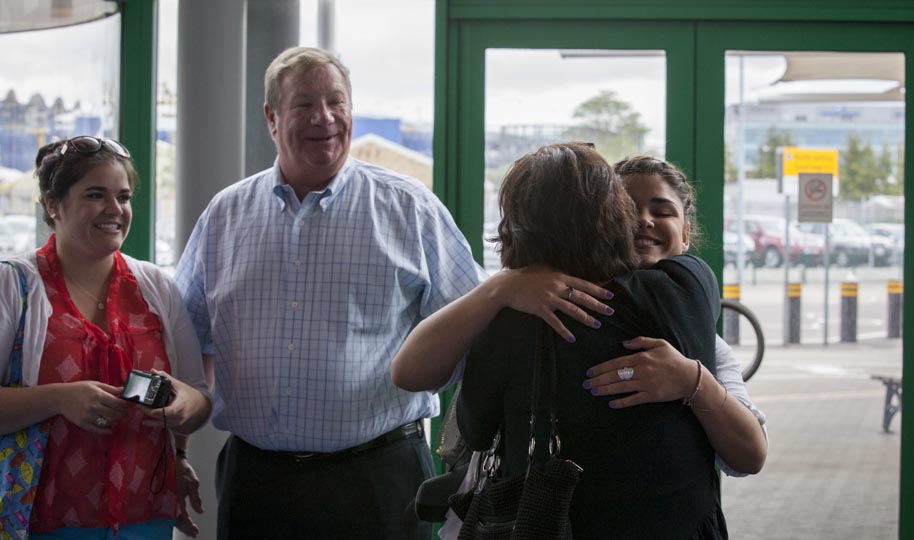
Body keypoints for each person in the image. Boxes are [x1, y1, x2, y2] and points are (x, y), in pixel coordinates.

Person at [172, 46, 488, 539]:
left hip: (379, 481)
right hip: (257, 483)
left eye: (336, 102)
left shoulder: (409, 209)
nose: (325, 117)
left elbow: (475, 332)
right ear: (271, 117)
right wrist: (173, 452)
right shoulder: (225, 216)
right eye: (304, 104)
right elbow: (184, 346)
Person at [392, 145, 766, 539]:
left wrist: (504, 286)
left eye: (661, 211)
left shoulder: (512, 317)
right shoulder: (689, 290)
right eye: (629, 207)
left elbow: (476, 427)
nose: (642, 222)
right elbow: (749, 458)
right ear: (610, 220)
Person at [0, 136, 212, 539]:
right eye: (96, 195)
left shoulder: (156, 287)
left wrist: (184, 406)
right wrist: (59, 399)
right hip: (39, 522)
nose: (115, 210)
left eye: (124, 196)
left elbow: (200, 399)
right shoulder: (14, 286)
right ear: (52, 204)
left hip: (144, 518)